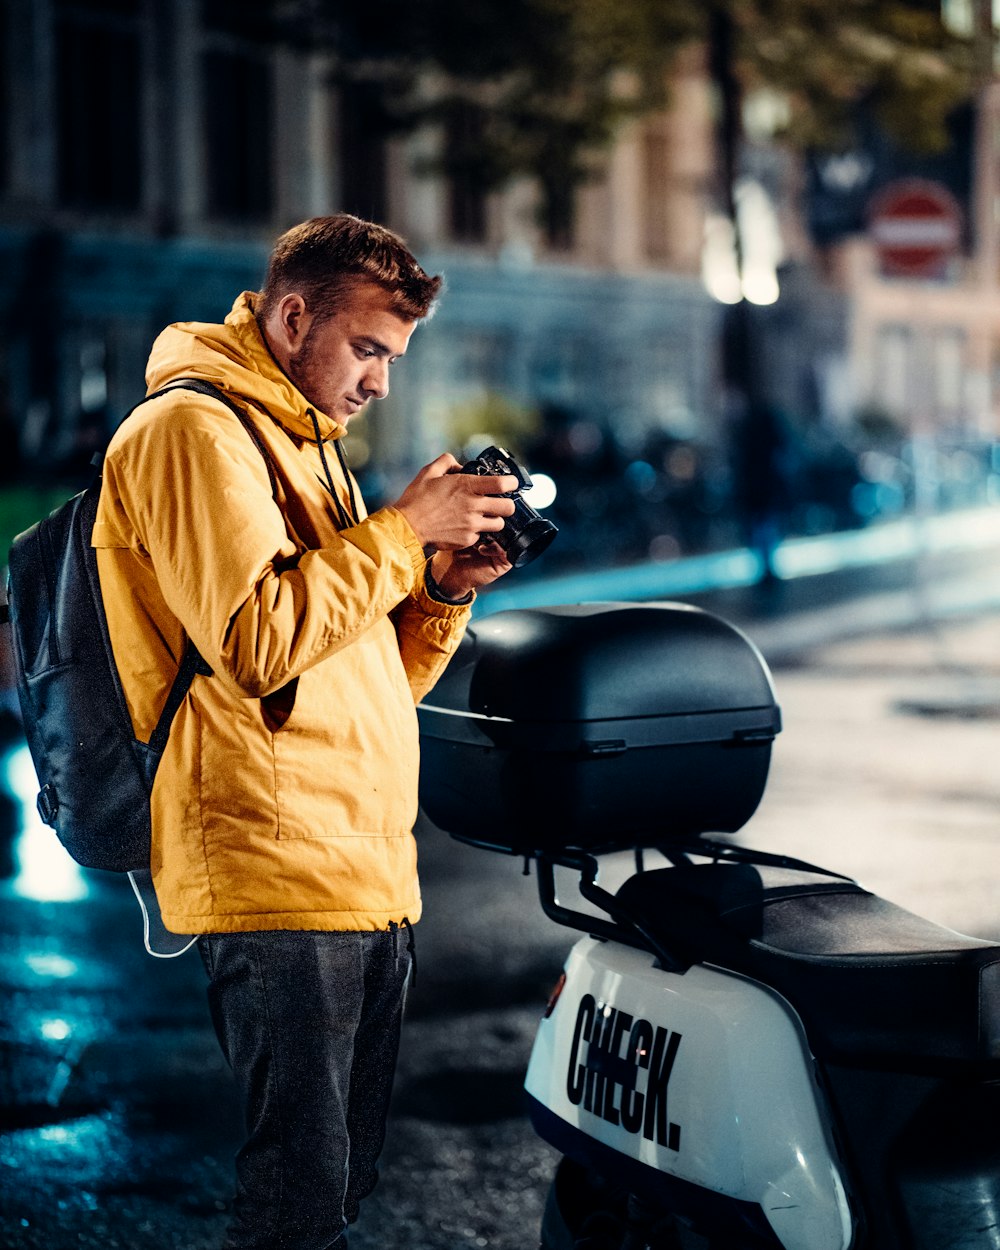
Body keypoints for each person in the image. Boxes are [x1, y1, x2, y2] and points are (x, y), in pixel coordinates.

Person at [91, 214, 517, 1249]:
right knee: (296, 1196)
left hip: (362, 871)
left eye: (391, 357)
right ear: (292, 315)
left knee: (339, 1181)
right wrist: (400, 530)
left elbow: (366, 677)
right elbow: (252, 641)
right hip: (274, 865)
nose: (379, 381)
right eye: (368, 348)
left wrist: (440, 592)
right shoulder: (190, 433)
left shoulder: (308, 445)